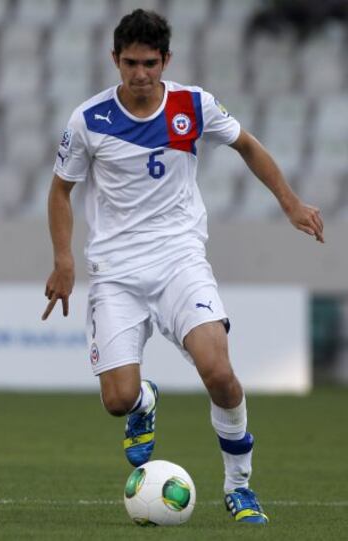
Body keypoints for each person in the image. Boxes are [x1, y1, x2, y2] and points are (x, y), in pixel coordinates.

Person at [42, 9, 324, 524]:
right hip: (116, 272)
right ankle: (144, 402)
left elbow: (247, 145)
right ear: (115, 60)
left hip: (179, 260)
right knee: (117, 399)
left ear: (166, 60)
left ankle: (239, 488)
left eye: (150, 63)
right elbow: (61, 190)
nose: (141, 74)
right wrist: (63, 260)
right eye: (130, 63)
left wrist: (290, 203)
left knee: (220, 372)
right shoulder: (89, 120)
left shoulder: (194, 106)